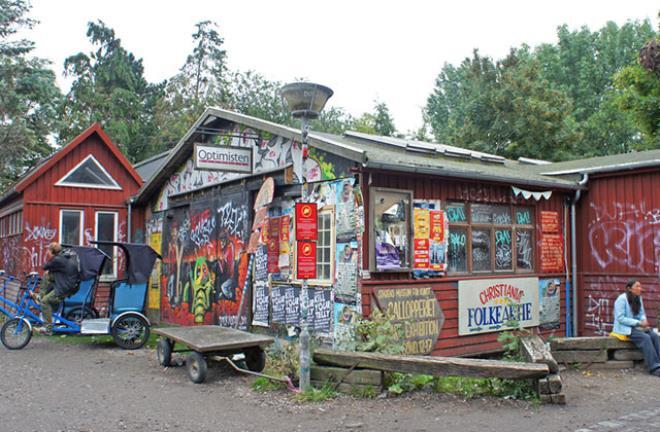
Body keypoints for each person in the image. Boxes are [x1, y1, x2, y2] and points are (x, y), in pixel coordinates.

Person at [612, 279, 660, 376]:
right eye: (637, 287)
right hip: (625, 328)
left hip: (636, 326)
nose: (640, 289)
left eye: (640, 287)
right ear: (629, 288)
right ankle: (654, 368)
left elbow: (641, 314)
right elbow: (620, 318)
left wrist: (643, 321)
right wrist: (638, 323)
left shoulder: (638, 298)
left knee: (654, 336)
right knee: (645, 338)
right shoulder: (621, 299)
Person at [34, 242, 80, 335]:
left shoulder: (58, 260)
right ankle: (40, 296)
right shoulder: (62, 258)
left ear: (51, 251)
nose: (47, 252)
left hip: (66, 287)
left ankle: (48, 329)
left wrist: (50, 258)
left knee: (45, 301)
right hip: (68, 283)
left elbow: (45, 266)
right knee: (47, 275)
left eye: (48, 250)